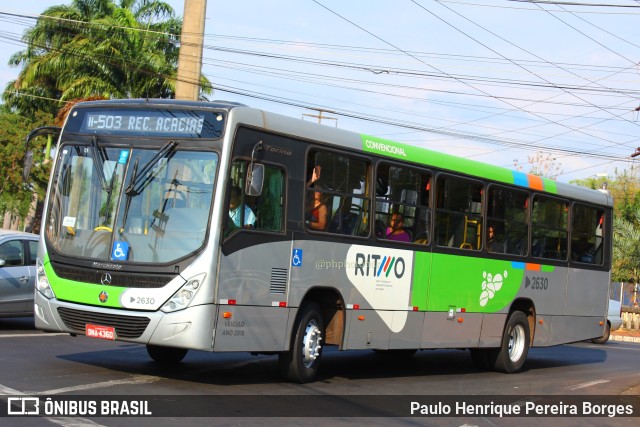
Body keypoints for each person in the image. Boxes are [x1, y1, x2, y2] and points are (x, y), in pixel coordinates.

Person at [306, 165, 328, 231]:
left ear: (322, 194)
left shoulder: (322, 207)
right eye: (315, 190)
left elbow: (321, 226)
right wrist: (312, 180)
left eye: (318, 191)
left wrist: (306, 223)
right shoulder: (308, 201)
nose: (315, 192)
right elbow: (302, 191)